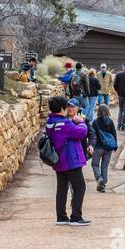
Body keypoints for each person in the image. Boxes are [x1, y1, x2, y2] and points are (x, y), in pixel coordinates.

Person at [46, 95, 91, 226]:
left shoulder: (50, 122)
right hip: (71, 160)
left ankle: (61, 217)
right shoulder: (64, 123)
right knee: (80, 187)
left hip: (58, 160)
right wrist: (81, 122)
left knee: (61, 188)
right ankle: (76, 217)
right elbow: (82, 133)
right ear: (61, 108)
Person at [88, 103, 118, 192]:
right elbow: (114, 134)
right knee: (104, 166)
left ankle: (99, 179)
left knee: (95, 164)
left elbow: (92, 135)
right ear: (108, 111)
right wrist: (115, 145)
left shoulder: (95, 122)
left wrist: (91, 145)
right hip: (108, 147)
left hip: (98, 147)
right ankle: (103, 184)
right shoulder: (110, 121)